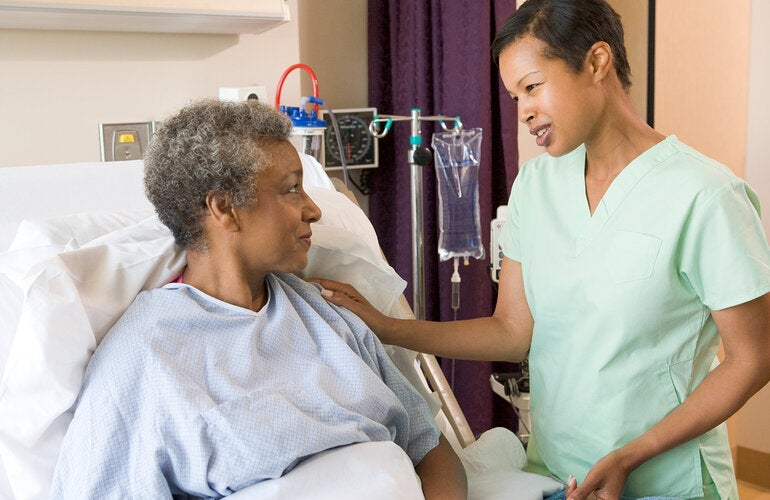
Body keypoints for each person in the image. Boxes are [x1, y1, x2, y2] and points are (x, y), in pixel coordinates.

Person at [312, 0, 770, 498]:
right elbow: (512, 332)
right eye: (514, 96)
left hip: (666, 481)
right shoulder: (535, 185)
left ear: (597, 62)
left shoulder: (705, 196)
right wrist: (388, 328)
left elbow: (753, 358)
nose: (524, 111)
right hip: (555, 476)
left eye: (532, 87)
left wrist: (632, 454)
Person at [50, 99, 467, 498]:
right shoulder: (144, 356)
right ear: (225, 208)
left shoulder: (326, 313)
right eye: (291, 189)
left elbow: (430, 447)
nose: (313, 210)